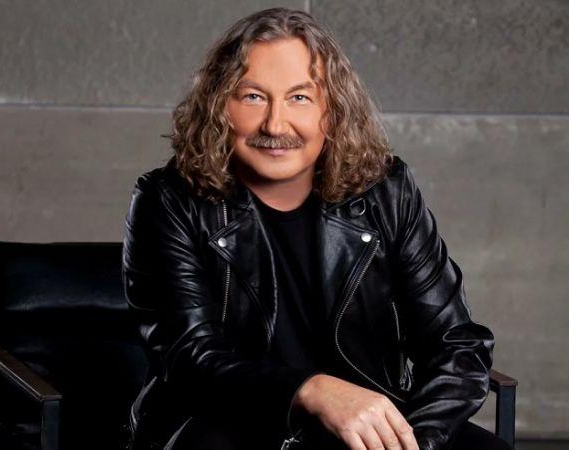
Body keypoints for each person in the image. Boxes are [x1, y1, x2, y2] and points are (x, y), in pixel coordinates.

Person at [121, 7, 511, 450]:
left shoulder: (387, 192)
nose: (275, 124)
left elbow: (457, 344)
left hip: (359, 430)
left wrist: (415, 440)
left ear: (332, 109)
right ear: (219, 107)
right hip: (226, 424)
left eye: (299, 98)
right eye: (253, 96)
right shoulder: (167, 200)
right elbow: (190, 358)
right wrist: (311, 389)